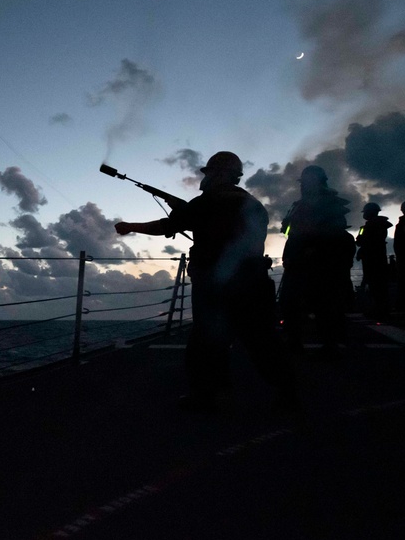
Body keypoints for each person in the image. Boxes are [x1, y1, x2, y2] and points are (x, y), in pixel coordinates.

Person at [115, 151, 297, 413]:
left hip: (216, 284)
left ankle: (208, 396)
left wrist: (131, 226)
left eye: (210, 173)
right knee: (261, 340)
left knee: (206, 343)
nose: (206, 178)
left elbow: (169, 225)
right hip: (253, 281)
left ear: (220, 174)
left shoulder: (208, 202)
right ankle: (287, 393)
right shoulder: (253, 204)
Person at [278, 166, 355, 356]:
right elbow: (291, 234)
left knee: (325, 304)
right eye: (303, 182)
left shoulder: (330, 204)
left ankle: (331, 345)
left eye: (307, 182)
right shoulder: (298, 206)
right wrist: (289, 252)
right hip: (297, 260)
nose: (304, 186)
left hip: (322, 262)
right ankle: (294, 341)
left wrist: (315, 249)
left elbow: (336, 232)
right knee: (290, 303)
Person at [355, 202, 392, 320]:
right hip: (372, 258)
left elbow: (366, 241)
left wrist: (363, 247)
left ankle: (380, 309)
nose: (364, 214)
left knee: (377, 285)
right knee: (374, 285)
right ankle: (377, 308)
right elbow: (360, 241)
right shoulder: (370, 226)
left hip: (374, 259)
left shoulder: (376, 226)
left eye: (366, 212)